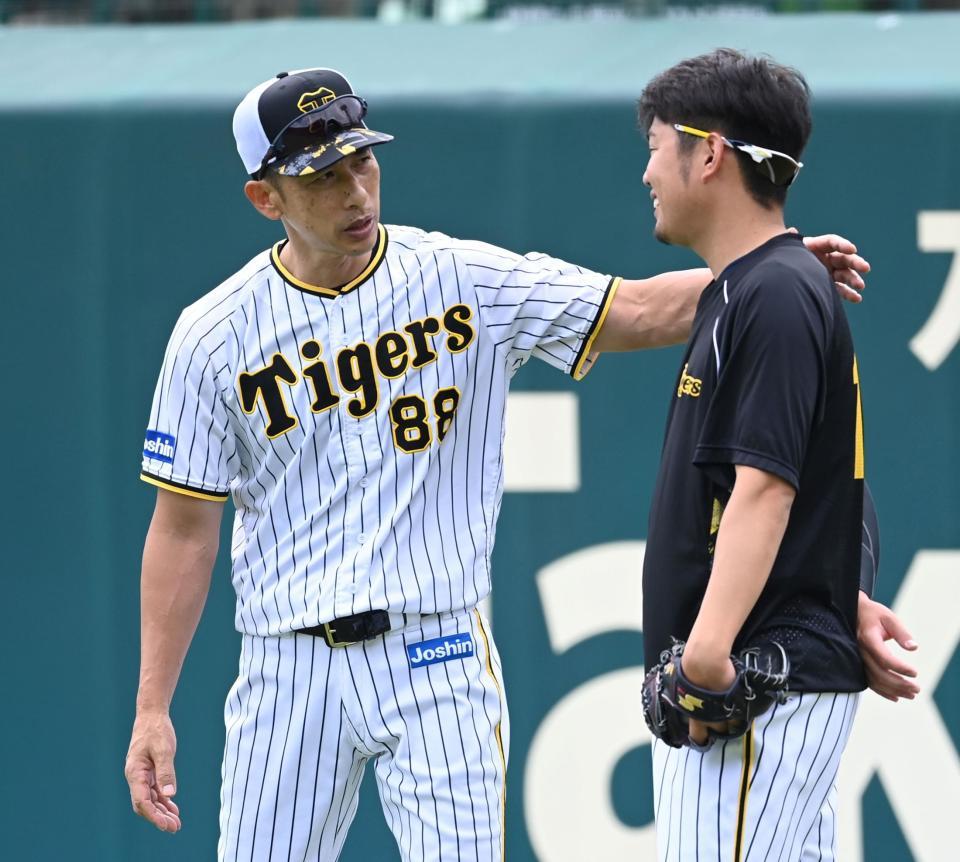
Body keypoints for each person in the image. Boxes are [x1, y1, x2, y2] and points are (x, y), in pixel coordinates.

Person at [123, 66, 913, 861]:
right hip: (286, 660)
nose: (356, 191)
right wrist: (153, 705)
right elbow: (185, 529)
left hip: (436, 650)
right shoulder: (212, 335)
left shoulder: (459, 277)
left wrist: (764, 270)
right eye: (323, 177)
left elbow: (634, 308)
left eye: (362, 160)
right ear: (268, 199)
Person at [637, 49, 919, 861]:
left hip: (759, 688)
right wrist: (838, 596)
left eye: (656, 145)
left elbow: (767, 489)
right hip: (770, 677)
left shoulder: (775, 291)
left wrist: (705, 658)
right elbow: (834, 483)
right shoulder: (756, 287)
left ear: (710, 153)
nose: (648, 171)